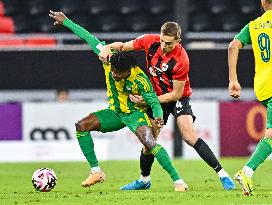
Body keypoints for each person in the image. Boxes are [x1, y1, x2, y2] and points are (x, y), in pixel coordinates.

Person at [49, 10, 188, 192]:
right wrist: (66, 21)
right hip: (114, 113)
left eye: (118, 74)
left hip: (134, 114)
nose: (114, 75)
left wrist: (159, 116)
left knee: (149, 143)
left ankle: (178, 181)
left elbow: (153, 101)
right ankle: (96, 171)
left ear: (128, 71)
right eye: (112, 71)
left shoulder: (140, 79)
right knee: (81, 126)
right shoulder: (108, 58)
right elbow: (88, 37)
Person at [99, 22, 235, 191]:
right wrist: (107, 48)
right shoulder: (149, 41)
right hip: (154, 98)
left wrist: (148, 100)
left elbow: (176, 94)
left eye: (169, 43)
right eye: (163, 41)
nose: (164, 46)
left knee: (188, 136)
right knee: (149, 142)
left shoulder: (181, 59)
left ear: (178, 40)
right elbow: (122, 46)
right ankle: (144, 180)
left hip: (176, 98)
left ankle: (223, 175)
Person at [228, 0, 272, 196]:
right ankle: (247, 171)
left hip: (263, 86)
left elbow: (233, 46)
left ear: (263, 3)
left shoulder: (253, 25)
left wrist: (233, 80)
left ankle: (247, 172)